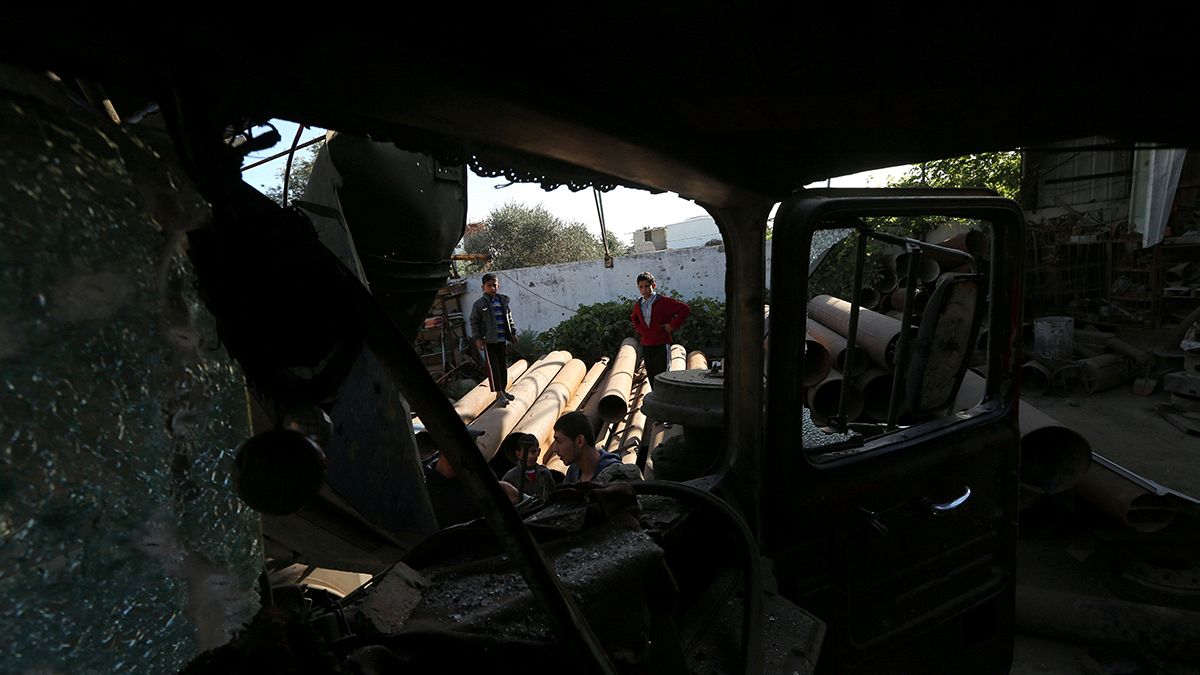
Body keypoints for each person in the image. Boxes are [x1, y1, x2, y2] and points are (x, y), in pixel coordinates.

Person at [630, 271, 690, 384]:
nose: (644, 290)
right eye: (641, 287)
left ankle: (665, 399)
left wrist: (672, 326)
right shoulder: (638, 304)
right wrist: (642, 330)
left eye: (647, 286)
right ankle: (654, 397)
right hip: (646, 345)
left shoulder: (664, 302)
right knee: (651, 375)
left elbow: (685, 309)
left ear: (653, 286)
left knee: (663, 375)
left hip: (661, 344)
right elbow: (634, 318)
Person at [469, 273, 518, 406]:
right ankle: (498, 393)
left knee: (503, 366)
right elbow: (474, 322)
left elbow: (509, 318)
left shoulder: (502, 301)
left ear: (498, 285)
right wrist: (478, 339)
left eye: (494, 285)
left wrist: (512, 333)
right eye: (489, 286)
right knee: (493, 368)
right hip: (489, 341)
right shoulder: (479, 304)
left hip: (501, 339)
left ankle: (503, 389)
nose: (493, 288)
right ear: (483, 287)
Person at [552, 412, 642, 484]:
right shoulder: (573, 473)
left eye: (559, 441)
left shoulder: (616, 477)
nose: (554, 449)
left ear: (580, 441)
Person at [499, 432, 557, 502]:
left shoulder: (545, 473)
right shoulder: (510, 477)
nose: (530, 456)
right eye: (526, 452)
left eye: (533, 451)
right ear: (518, 454)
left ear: (538, 452)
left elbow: (553, 497)